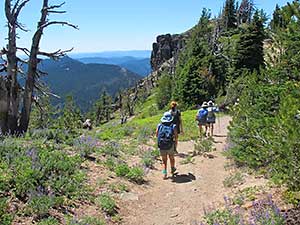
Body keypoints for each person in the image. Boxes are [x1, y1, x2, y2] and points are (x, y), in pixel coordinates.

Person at [156, 111, 178, 179]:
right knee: (171, 158)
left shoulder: (159, 125)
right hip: (170, 145)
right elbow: (176, 137)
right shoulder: (173, 126)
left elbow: (156, 135)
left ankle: (164, 174)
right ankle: (172, 169)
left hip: (162, 145)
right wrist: (175, 146)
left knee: (164, 160)